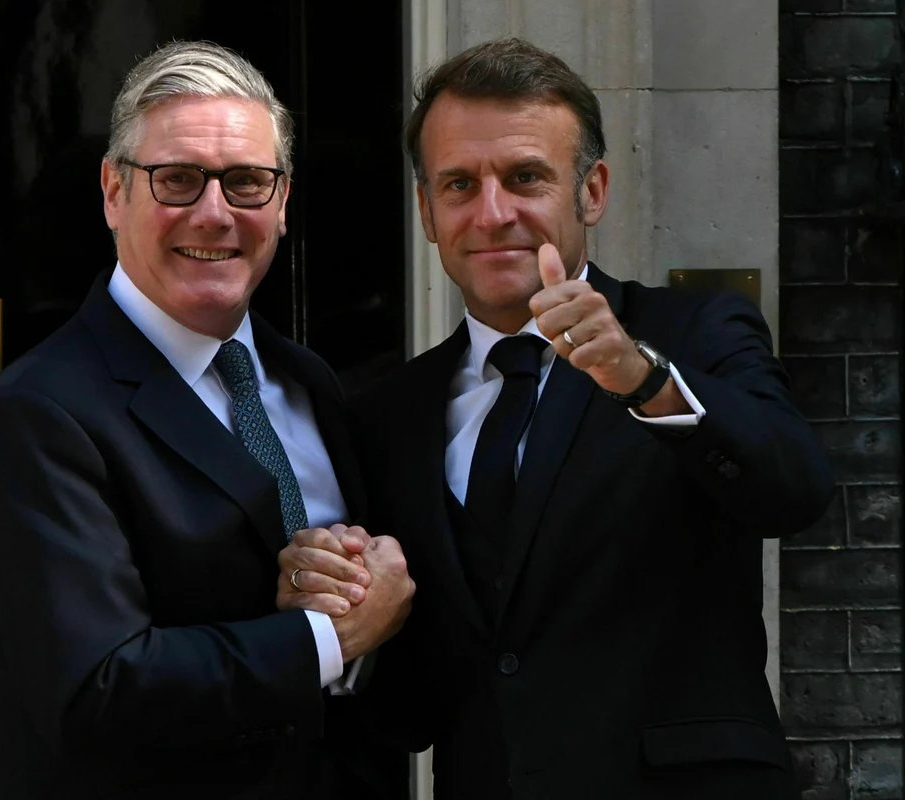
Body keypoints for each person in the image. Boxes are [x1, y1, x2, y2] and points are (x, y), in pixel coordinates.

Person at [277, 37, 835, 799]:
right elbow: (410, 705)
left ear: (591, 191)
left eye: (525, 177)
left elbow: (793, 491)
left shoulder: (693, 334)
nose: (492, 213)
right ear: (428, 211)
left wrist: (643, 380)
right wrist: (344, 623)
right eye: (459, 184)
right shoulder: (385, 415)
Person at [0, 40, 411, 799]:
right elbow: (97, 690)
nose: (214, 213)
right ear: (113, 192)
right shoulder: (38, 415)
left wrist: (371, 590)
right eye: (178, 179)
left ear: (283, 203)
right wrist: (329, 638)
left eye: (247, 182)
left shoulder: (310, 382)